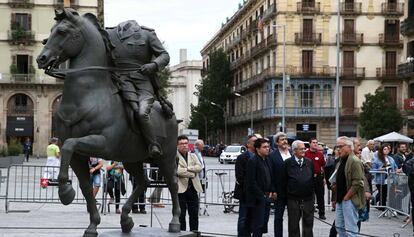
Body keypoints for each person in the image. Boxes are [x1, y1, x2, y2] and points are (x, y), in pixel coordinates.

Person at [106, 20, 171, 159]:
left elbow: (164, 56)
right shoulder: (109, 33)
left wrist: (153, 65)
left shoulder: (147, 34)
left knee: (141, 113)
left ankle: (153, 144)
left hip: (142, 81)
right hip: (118, 80)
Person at [332, 136, 365, 237]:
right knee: (339, 227)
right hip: (340, 199)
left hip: (349, 199)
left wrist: (347, 197)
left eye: (340, 146)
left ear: (349, 147)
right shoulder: (341, 160)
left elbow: (358, 182)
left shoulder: (354, 161)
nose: (338, 149)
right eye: (337, 146)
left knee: (351, 230)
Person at [284, 140, 315, 237]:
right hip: (293, 199)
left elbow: (312, 180)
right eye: (301, 149)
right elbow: (283, 181)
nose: (304, 151)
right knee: (293, 225)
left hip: (308, 199)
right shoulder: (287, 163)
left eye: (304, 148)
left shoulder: (309, 162)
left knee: (308, 224)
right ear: (294, 151)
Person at [245, 138, 274, 237]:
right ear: (257, 149)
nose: (267, 149)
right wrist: (261, 195)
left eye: (268, 147)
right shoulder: (253, 161)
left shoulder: (268, 160)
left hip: (267, 197)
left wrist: (271, 191)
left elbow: (271, 176)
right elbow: (251, 182)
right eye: (264, 147)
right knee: (257, 225)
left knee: (263, 224)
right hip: (258, 199)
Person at [176, 135, 203, 232]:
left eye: (186, 143)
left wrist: (187, 169)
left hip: (193, 189)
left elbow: (199, 167)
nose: (184, 145)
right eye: (181, 144)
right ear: (177, 145)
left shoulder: (193, 155)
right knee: (181, 215)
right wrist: (192, 173)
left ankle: (194, 233)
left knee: (194, 214)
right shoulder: (174, 157)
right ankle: (182, 233)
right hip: (180, 189)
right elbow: (178, 171)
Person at [268, 132, 292, 237]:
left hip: (292, 191)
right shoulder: (272, 156)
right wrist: (273, 190)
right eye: (282, 139)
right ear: (277, 143)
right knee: (278, 217)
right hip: (279, 192)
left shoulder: (292, 153)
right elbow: (270, 174)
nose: (285, 141)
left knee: (294, 217)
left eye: (286, 139)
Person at [235, 134, 258, 237]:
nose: (256, 143)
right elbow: (240, 176)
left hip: (258, 194)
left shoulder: (260, 156)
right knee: (243, 218)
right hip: (245, 193)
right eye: (254, 141)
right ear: (248, 144)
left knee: (254, 218)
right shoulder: (242, 158)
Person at [371, 143, 398, 209]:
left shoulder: (391, 158)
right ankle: (382, 208)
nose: (386, 150)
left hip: (390, 179)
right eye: (384, 149)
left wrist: (397, 170)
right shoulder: (377, 159)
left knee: (388, 194)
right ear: (381, 150)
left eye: (387, 149)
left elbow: (395, 167)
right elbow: (372, 170)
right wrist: (379, 169)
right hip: (380, 180)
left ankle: (386, 207)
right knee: (382, 194)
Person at [304, 138, 326, 220]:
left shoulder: (320, 154)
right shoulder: (305, 153)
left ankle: (322, 213)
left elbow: (323, 166)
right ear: (310, 144)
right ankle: (309, 212)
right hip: (309, 177)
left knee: (320, 196)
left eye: (316, 142)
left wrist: (324, 178)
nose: (315, 144)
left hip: (318, 177)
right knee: (309, 195)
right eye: (313, 142)